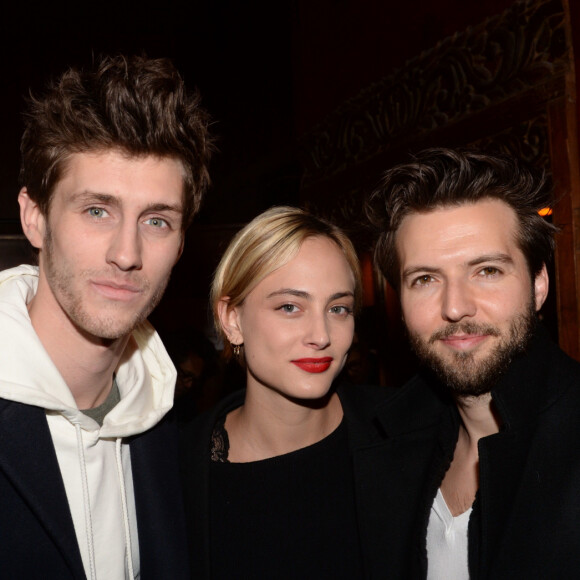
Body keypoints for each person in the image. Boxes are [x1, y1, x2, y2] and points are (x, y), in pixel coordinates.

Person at [0, 55, 212, 579]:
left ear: (181, 242)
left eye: (157, 220)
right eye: (97, 210)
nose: (126, 252)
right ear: (35, 218)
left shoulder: (167, 426)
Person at [365, 147, 580, 578]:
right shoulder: (383, 451)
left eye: (486, 271)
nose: (455, 307)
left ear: (539, 285)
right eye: (425, 279)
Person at [179, 206, 392, 579]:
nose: (322, 335)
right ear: (232, 319)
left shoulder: (404, 434)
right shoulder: (176, 471)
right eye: (290, 307)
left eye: (338, 308)